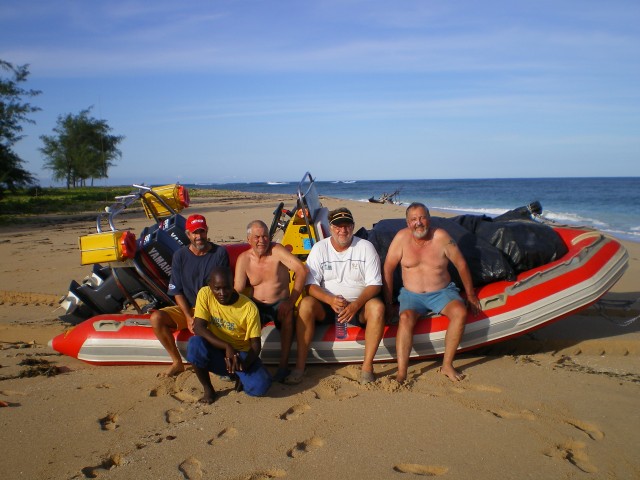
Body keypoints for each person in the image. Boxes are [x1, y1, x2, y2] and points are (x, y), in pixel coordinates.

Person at [382, 202, 482, 383]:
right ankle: (402, 372)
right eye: (413, 219)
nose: (418, 223)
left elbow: (461, 264)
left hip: (442, 292)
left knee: (460, 312)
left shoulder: (441, 237)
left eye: (422, 217)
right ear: (407, 222)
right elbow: (388, 268)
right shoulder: (401, 238)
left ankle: (447, 365)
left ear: (429, 219)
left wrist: (471, 295)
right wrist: (388, 303)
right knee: (404, 319)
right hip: (411, 295)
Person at [285, 207, 385, 385]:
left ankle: (367, 367)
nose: (343, 230)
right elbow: (310, 285)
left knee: (377, 307)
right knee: (306, 304)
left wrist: (355, 305)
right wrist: (329, 300)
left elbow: (375, 284)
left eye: (347, 226)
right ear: (331, 228)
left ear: (353, 227)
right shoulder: (319, 248)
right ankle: (300, 366)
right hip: (327, 306)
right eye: (338, 226)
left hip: (358, 306)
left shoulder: (365, 247)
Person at [150, 214, 229, 377]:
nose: (199, 236)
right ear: (188, 234)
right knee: (156, 318)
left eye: (201, 232)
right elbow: (176, 290)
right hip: (188, 307)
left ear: (207, 231)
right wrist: (187, 316)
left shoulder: (219, 253)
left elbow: (222, 288)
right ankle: (177, 362)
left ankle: (219, 363)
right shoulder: (180, 256)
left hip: (211, 307)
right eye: (194, 233)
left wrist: (202, 316)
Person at [234, 220, 308, 382]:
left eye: (265, 236)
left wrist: (291, 301)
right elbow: (238, 290)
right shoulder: (244, 259)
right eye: (257, 237)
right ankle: (243, 363)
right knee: (241, 322)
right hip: (256, 305)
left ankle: (283, 366)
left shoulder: (277, 251)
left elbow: (301, 270)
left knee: (287, 316)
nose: (262, 241)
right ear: (249, 239)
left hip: (280, 303)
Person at [187, 266, 272, 403]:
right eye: (217, 288)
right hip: (217, 350)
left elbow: (255, 345)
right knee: (195, 344)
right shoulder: (205, 294)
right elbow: (198, 327)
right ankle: (208, 389)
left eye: (226, 288)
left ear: (233, 285)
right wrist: (227, 346)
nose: (222, 293)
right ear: (210, 286)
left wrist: (244, 365)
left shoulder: (248, 308)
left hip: (240, 355)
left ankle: (239, 375)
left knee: (260, 387)